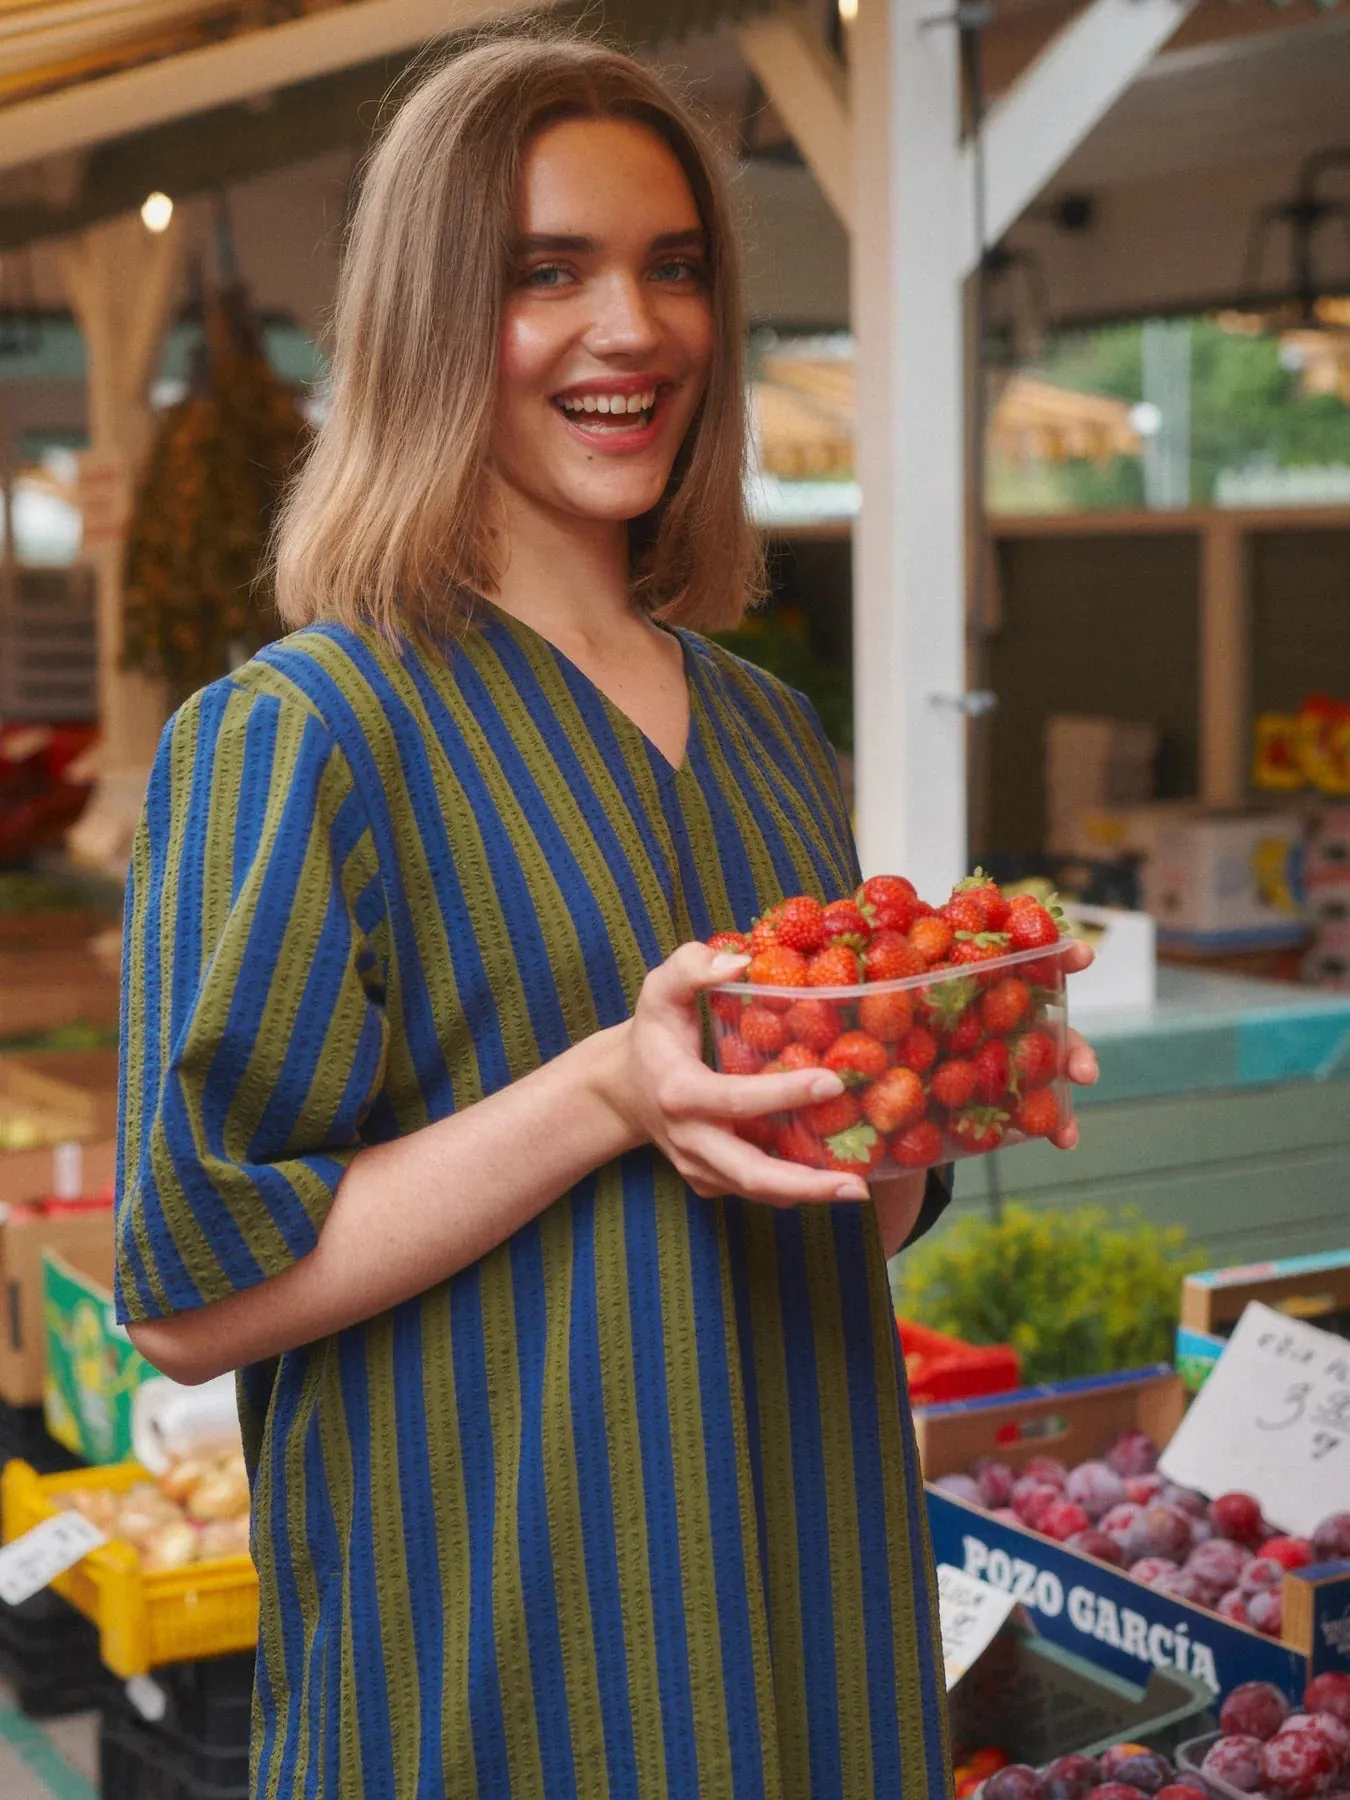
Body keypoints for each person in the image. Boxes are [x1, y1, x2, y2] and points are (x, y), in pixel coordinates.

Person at [116, 34, 1097, 1800]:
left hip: (807, 1596)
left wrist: (939, 1071)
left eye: (674, 267)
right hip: (498, 1656)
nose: (631, 329)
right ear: (427, 321)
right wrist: (604, 1092)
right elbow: (192, 1291)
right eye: (545, 273)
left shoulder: (767, 731)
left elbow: (841, 1214)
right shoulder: (305, 734)